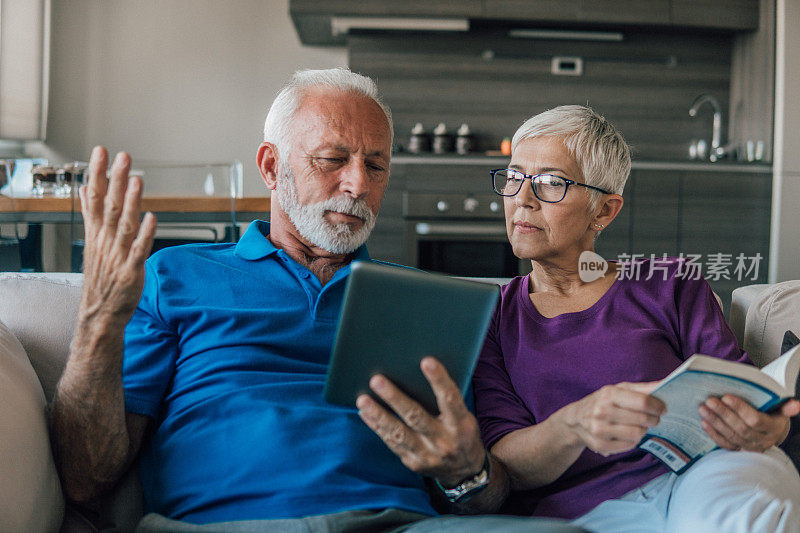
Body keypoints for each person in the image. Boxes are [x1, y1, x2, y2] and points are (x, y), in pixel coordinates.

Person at [48, 68, 579, 533]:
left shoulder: (423, 300)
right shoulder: (175, 277)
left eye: (376, 166)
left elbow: (480, 498)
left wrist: (468, 473)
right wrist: (97, 318)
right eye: (333, 159)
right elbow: (85, 479)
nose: (357, 184)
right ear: (271, 166)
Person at [472, 104, 800, 532]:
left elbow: (745, 390)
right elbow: (502, 461)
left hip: (703, 476)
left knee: (747, 509)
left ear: (604, 211)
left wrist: (771, 427)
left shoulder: (669, 282)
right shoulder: (489, 317)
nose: (522, 198)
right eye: (514, 177)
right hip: (582, 512)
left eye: (551, 182)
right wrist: (574, 423)